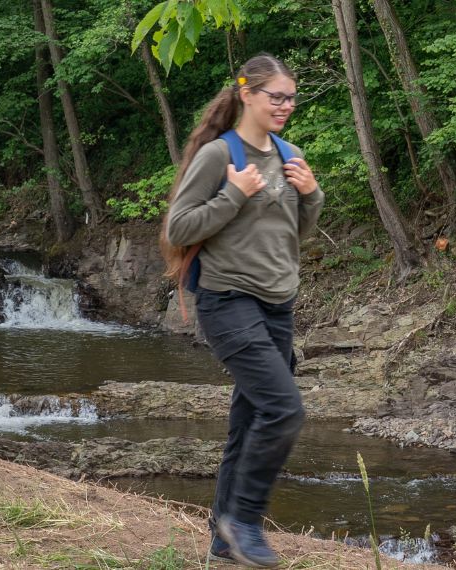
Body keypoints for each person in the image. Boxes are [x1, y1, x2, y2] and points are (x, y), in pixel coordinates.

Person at [161, 54, 322, 568]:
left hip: (279, 304)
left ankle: (221, 538)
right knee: (285, 410)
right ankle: (245, 521)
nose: (286, 106)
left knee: (250, 418)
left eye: (291, 98)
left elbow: (293, 237)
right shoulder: (218, 155)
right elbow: (178, 230)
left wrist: (312, 195)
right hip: (227, 299)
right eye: (276, 96)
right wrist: (233, 193)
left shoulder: (289, 154)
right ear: (247, 94)